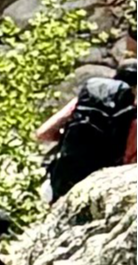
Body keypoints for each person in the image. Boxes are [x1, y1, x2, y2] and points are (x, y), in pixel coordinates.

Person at [40, 50, 138, 200]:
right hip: (102, 184)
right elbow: (128, 158)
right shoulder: (132, 112)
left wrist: (70, 137)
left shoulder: (88, 98)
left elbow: (43, 134)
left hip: (64, 178)